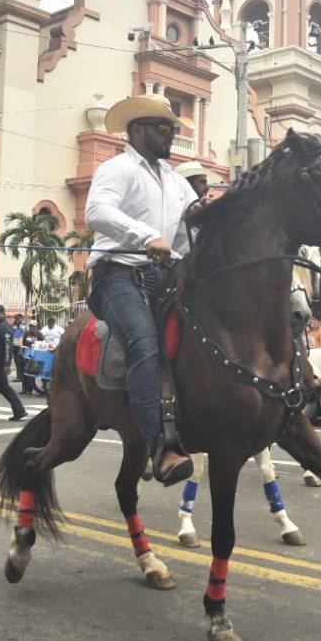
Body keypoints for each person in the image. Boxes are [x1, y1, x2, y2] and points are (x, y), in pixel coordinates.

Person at [83, 94, 201, 486]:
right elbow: (97, 212)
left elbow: (185, 236)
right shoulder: (117, 168)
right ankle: (161, 449)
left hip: (160, 278)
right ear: (137, 130)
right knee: (144, 344)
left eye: (173, 129)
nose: (171, 135)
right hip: (116, 275)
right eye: (163, 128)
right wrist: (146, 236)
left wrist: (204, 220)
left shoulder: (177, 181)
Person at [19, 320, 40, 395]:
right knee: (24, 371)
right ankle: (24, 389)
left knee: (31, 372)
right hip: (25, 354)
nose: (31, 327)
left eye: (33, 326)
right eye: (30, 326)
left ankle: (29, 389)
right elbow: (21, 338)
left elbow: (43, 341)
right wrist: (21, 345)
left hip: (34, 355)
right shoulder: (26, 332)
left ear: (36, 327)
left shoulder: (39, 334)